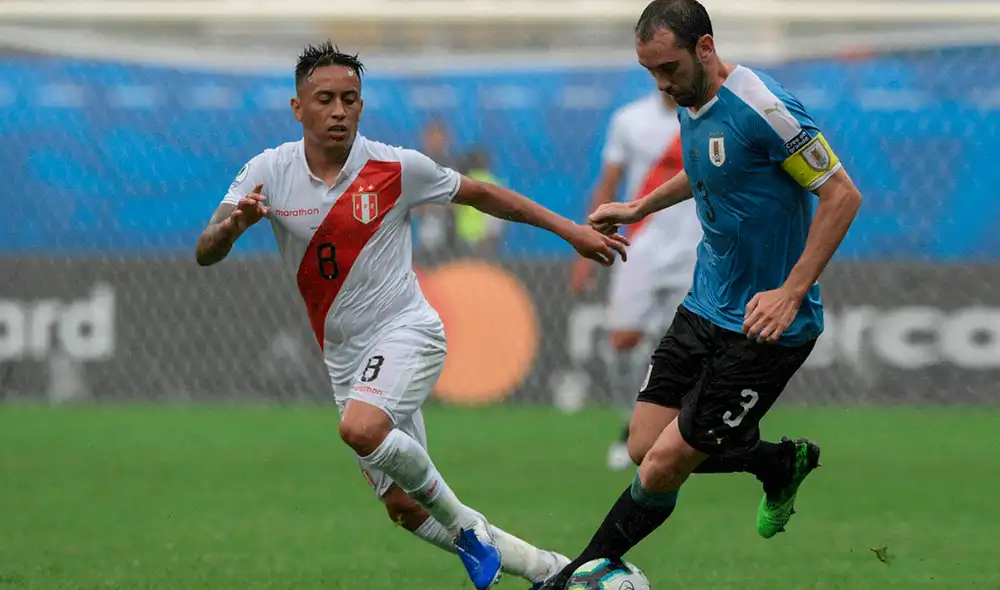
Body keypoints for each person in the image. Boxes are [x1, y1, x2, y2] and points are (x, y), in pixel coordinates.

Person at [193, 42, 629, 590]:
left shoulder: (395, 167)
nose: (338, 111)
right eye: (324, 99)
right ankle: (549, 571)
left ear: (361, 104)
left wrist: (573, 233)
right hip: (347, 359)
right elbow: (205, 248)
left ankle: (467, 528)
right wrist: (233, 228)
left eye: (350, 99)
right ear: (297, 107)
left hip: (409, 332)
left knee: (359, 427)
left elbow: (489, 198)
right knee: (403, 507)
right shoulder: (268, 171)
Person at [540, 0, 863, 586]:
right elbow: (711, 166)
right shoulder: (694, 101)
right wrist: (641, 206)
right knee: (644, 444)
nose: (662, 85)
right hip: (704, 306)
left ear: (705, 49)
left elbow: (842, 194)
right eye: (651, 73)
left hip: (766, 328)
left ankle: (576, 575)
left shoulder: (766, 109)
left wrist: (792, 291)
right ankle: (778, 460)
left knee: (663, 466)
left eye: (669, 69)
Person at [569, 89, 702, 471]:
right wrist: (587, 247)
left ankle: (675, 434)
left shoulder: (705, 117)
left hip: (695, 248)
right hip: (637, 246)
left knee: (682, 345)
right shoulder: (629, 120)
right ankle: (632, 425)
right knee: (623, 339)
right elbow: (608, 184)